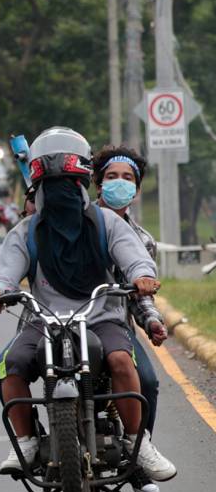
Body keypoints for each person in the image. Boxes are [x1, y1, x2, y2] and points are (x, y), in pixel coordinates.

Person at [0, 126, 175, 491]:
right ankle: (25, 440)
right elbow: (4, 272)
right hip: (44, 321)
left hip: (102, 317)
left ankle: (137, 442)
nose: (62, 194)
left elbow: (135, 261)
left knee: (121, 361)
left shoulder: (108, 223)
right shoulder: (26, 231)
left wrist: (143, 277)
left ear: (82, 184)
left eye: (69, 184)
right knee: (9, 366)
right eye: (54, 187)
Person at [91, 145, 167, 434]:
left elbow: (137, 294)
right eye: (111, 176)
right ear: (98, 184)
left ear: (136, 188)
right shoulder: (76, 225)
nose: (119, 182)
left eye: (127, 177)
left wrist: (151, 321)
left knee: (146, 381)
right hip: (69, 322)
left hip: (115, 326)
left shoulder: (142, 241)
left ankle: (141, 452)